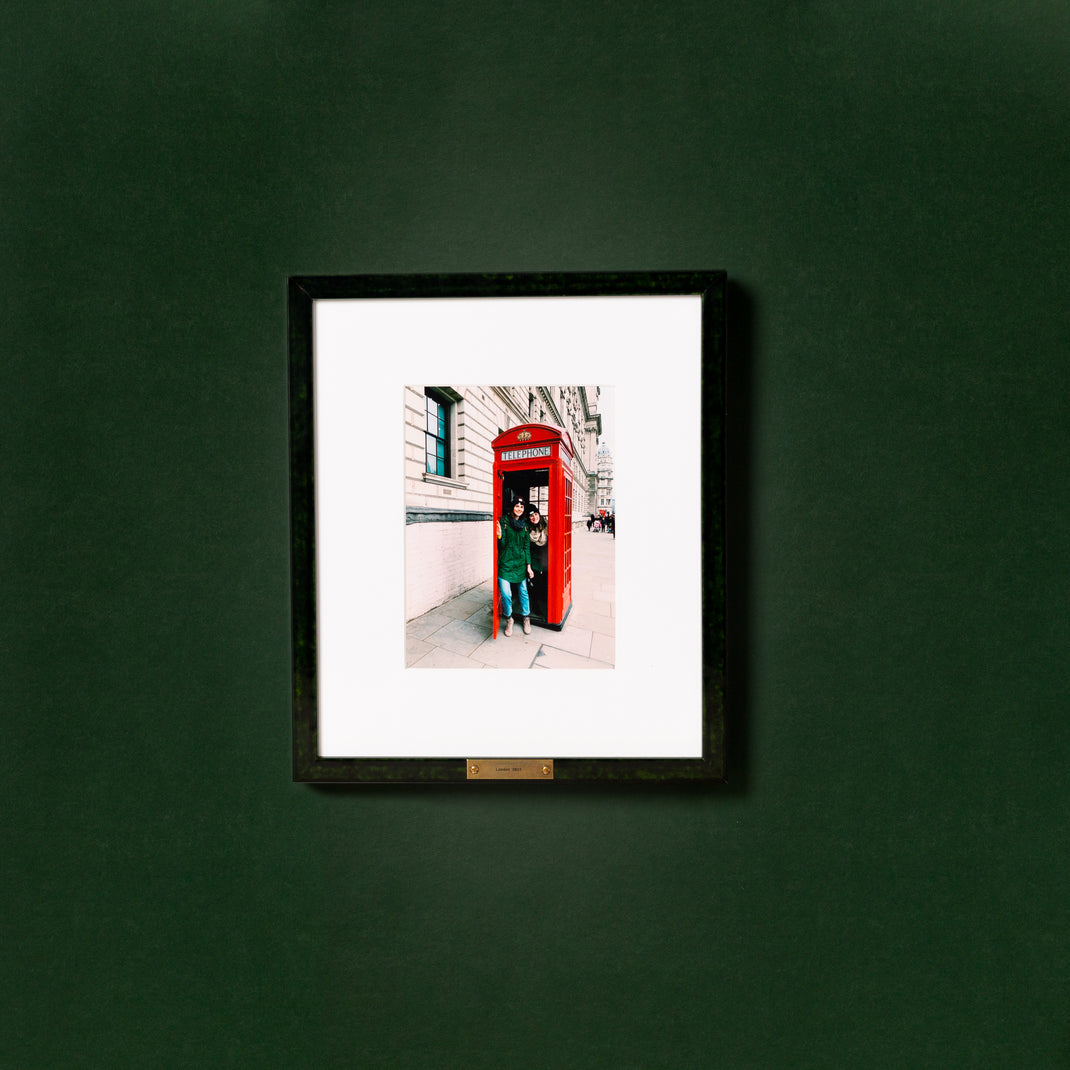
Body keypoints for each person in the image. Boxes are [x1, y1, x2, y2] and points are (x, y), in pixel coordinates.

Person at [495, 497, 533, 636]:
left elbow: (526, 546)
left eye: (521, 507)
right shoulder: (504, 522)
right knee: (506, 594)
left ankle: (525, 618)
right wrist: (499, 535)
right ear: (513, 507)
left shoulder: (524, 525)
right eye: (517, 506)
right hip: (506, 563)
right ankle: (509, 618)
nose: (519, 509)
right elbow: (502, 544)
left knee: (523, 592)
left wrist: (528, 566)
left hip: (520, 564)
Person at [526, 504, 548, 619]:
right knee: (534, 587)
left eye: (536, 514)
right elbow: (527, 549)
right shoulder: (527, 529)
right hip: (533, 563)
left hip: (546, 562)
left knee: (544, 585)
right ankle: (535, 607)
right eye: (531, 516)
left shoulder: (546, 526)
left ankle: (545, 604)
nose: (534, 517)